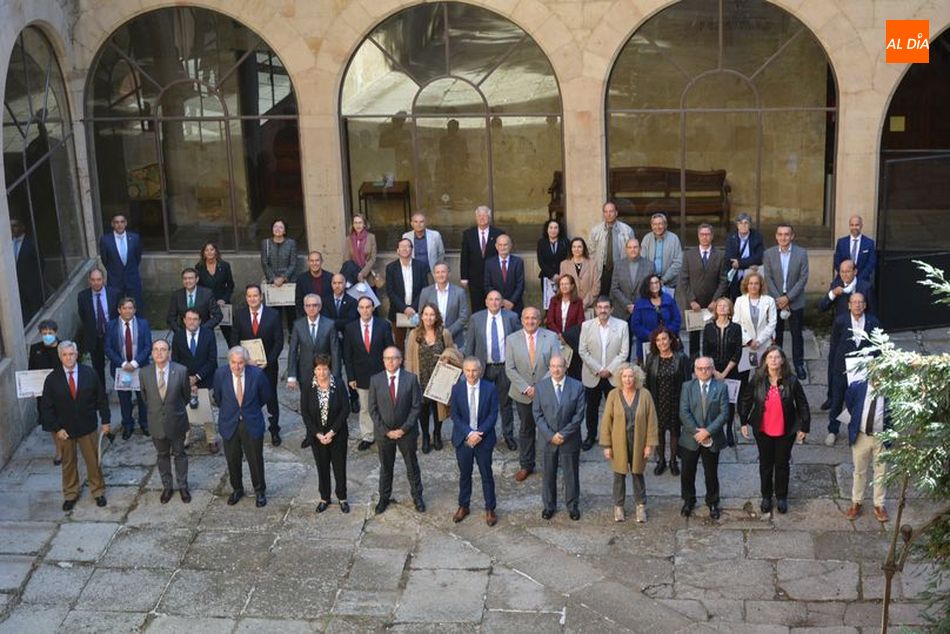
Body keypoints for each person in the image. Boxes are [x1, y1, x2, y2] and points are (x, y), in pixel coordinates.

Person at [739, 345, 810, 515]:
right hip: (763, 430)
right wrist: (743, 422)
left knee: (782, 464)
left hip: (785, 430)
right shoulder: (757, 379)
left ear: (783, 360)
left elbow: (802, 405)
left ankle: (782, 497)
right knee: (765, 464)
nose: (773, 361)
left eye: (777, 357)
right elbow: (746, 400)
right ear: (765, 360)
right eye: (770, 357)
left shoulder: (791, 381)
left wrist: (804, 426)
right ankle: (766, 496)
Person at [41, 341, 110, 511]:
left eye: (71, 354)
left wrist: (106, 421)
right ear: (60, 357)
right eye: (65, 355)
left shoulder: (89, 373)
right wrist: (57, 429)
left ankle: (98, 491)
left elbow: (101, 399)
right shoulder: (52, 379)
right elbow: (46, 408)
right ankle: (71, 494)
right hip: (65, 430)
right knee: (68, 463)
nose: (68, 358)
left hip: (88, 427)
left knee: (93, 461)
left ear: (77, 354)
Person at [506, 307, 561, 482]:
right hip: (523, 394)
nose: (530, 321)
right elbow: (510, 368)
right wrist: (526, 388)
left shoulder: (551, 337)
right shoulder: (512, 339)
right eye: (527, 318)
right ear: (522, 320)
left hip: (545, 392)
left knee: (548, 429)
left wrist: (539, 387)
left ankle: (549, 464)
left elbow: (556, 365)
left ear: (540, 320)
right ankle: (526, 465)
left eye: (534, 318)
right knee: (526, 429)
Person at [212, 346, 271, 508]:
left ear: (245, 362)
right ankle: (237, 489)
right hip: (229, 423)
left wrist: (248, 410)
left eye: (240, 363)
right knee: (232, 459)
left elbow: (264, 396)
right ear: (228, 361)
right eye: (233, 363)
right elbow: (218, 397)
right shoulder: (220, 374)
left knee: (255, 460)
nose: (237, 367)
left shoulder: (257, 375)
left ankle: (259, 491)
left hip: (251, 422)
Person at [369, 347, 425, 515]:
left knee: (412, 466)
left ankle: (417, 497)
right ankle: (384, 498)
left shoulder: (411, 379)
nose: (391, 361)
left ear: (400, 360)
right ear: (383, 360)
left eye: (394, 358)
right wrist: (386, 431)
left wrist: (403, 429)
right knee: (386, 467)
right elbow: (372, 409)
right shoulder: (375, 380)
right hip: (384, 434)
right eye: (387, 358)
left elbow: (416, 406)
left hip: (406, 433)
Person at [599, 363, 657, 523]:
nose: (628, 379)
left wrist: (649, 445)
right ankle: (618, 506)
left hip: (639, 440)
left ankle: (640, 506)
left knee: (638, 473)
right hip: (619, 441)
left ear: (636, 377)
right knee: (619, 474)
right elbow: (606, 421)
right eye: (624, 376)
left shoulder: (645, 395)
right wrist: (607, 445)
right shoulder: (613, 394)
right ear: (620, 378)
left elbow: (652, 420)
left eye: (631, 376)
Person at [464, 290, 520, 451]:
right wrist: (468, 367)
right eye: (491, 299)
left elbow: (518, 341)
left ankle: (508, 436)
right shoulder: (476, 318)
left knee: (506, 403)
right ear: (486, 302)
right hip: (484, 368)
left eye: (497, 300)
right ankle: (483, 434)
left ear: (501, 302)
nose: (494, 302)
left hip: (505, 367)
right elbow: (470, 344)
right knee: (483, 403)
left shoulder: (511, 317)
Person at [533, 355, 586, 521]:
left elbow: (578, 416)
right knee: (548, 474)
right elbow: (537, 414)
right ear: (549, 368)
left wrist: (563, 434)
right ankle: (549, 506)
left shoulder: (577, 387)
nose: (556, 370)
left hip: (569, 439)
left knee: (571, 474)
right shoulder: (540, 388)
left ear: (566, 367)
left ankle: (572, 506)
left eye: (559, 366)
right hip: (547, 440)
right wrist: (551, 435)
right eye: (553, 366)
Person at [230, 284, 284, 446]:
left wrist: (268, 361)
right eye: (249, 296)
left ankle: (274, 429)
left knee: (271, 398)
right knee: (248, 397)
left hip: (268, 366)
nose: (252, 299)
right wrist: (244, 361)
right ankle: (252, 429)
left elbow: (279, 342)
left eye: (255, 296)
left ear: (261, 297)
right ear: (246, 298)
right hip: (245, 366)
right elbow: (234, 340)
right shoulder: (239, 316)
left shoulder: (273, 315)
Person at [825, 293, 880, 447]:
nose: (857, 305)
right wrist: (834, 368)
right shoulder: (841, 321)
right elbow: (835, 345)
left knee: (860, 401)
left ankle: (856, 430)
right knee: (837, 400)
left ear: (865, 305)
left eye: (860, 302)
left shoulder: (873, 322)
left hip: (864, 369)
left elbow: (878, 347)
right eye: (854, 302)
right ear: (849, 305)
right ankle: (832, 430)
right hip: (842, 368)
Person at [140, 340, 191, 504]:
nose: (159, 353)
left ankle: (183, 486)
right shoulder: (144, 373)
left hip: (176, 421)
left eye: (163, 349)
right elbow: (145, 397)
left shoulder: (181, 371)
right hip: (156, 422)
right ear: (152, 353)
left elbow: (186, 396)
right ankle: (167, 487)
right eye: (156, 350)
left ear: (169, 352)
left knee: (180, 454)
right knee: (162, 456)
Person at [818, 259, 874, 409]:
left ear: (855, 272)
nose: (845, 275)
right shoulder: (836, 285)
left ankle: (858, 395)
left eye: (848, 271)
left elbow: (872, 310)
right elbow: (822, 307)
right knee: (834, 363)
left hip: (860, 330)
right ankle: (832, 397)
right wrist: (832, 294)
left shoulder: (865, 286)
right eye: (842, 272)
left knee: (860, 363)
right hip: (841, 332)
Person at [450, 357, 499, 526]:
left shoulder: (490, 388)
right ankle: (464, 505)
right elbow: (455, 415)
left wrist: (480, 433)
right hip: (463, 439)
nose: (471, 374)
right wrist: (469, 433)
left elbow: (493, 414)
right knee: (465, 474)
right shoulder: (456, 389)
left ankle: (490, 508)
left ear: (480, 371)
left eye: (475, 370)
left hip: (483, 440)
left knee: (486, 474)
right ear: (463, 371)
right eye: (468, 370)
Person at [678, 357, 729, 519]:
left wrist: (707, 432)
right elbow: (683, 412)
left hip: (711, 437)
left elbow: (724, 414)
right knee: (687, 472)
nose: (703, 371)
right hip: (690, 438)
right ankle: (688, 500)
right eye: (700, 368)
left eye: (707, 368)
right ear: (695, 370)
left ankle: (713, 502)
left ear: (712, 369)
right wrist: (696, 432)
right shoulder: (687, 387)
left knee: (711, 473)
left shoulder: (721, 387)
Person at [287, 294, 340, 449]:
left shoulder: (329, 324)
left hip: (325, 373)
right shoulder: (298, 325)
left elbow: (335, 352)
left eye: (315, 305)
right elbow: (292, 351)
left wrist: (335, 376)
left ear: (320, 307)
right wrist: (292, 375)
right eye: (308, 305)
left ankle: (327, 432)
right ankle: (310, 434)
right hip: (305, 373)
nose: (311, 308)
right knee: (308, 406)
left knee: (325, 404)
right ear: (304, 308)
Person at [344, 296, 395, 451]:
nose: (365, 310)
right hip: (361, 375)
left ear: (373, 308)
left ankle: (385, 433)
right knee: (365, 407)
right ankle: (367, 435)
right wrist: (351, 376)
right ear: (358, 309)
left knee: (384, 407)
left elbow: (390, 350)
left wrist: (391, 372)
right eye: (362, 307)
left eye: (368, 307)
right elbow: (347, 355)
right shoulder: (350, 328)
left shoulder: (383, 325)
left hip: (381, 374)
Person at [301, 354, 350, 514]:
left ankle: (342, 498)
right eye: (318, 369)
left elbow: (345, 409)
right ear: (314, 370)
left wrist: (332, 432)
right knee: (322, 467)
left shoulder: (339, 384)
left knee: (339, 467)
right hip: (318, 437)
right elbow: (305, 413)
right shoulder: (308, 386)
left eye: (325, 369)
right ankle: (324, 498)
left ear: (330, 369)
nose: (322, 373)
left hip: (337, 435)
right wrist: (317, 434)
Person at [404, 303, 456, 453]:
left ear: (437, 316)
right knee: (423, 410)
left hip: (439, 377)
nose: (429, 317)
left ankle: (437, 434)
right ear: (421, 316)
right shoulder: (414, 334)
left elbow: (452, 350)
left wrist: (448, 357)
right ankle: (426, 436)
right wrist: (409, 379)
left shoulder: (444, 333)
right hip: (421, 377)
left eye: (432, 314)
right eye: (426, 314)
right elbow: (408, 358)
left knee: (438, 407)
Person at [578, 297, 629, 450]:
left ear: (611, 309)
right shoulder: (586, 326)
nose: (602, 310)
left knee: (615, 408)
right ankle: (591, 435)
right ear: (595, 309)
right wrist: (599, 369)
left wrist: (609, 370)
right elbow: (583, 350)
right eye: (599, 307)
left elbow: (624, 352)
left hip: (613, 376)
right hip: (592, 374)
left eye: (606, 307)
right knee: (591, 408)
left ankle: (614, 436)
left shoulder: (622, 326)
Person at [762, 223, 809, 380]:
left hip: (795, 300)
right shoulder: (768, 254)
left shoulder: (801, 253)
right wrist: (779, 299)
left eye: (786, 234)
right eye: (780, 234)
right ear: (776, 236)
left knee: (797, 335)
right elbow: (767, 277)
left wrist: (788, 298)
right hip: (775, 300)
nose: (783, 237)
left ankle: (799, 365)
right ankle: (778, 366)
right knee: (777, 335)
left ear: (792, 236)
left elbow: (803, 278)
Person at [644, 326, 692, 477]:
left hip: (675, 401)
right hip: (657, 401)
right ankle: (661, 461)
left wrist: (686, 404)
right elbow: (646, 381)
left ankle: (673, 461)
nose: (661, 343)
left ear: (671, 340)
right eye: (658, 340)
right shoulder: (651, 358)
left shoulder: (682, 358)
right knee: (659, 433)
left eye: (664, 339)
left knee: (674, 433)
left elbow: (687, 381)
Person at [104, 297, 152, 440]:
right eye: (124, 308)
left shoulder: (143, 324)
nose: (127, 311)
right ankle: (128, 425)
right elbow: (108, 348)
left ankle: (145, 424)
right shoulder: (111, 325)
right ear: (119, 310)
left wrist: (136, 363)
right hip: (121, 369)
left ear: (134, 310)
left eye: (130, 308)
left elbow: (148, 346)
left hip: (140, 367)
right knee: (124, 399)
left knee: (142, 397)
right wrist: (124, 364)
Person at [171, 310, 218, 453]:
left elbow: (212, 360)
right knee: (184, 411)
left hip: (205, 379)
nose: (192, 322)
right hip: (184, 380)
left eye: (195, 319)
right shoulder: (178, 336)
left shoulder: (208, 335)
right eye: (189, 319)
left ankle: (212, 439)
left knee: (206, 409)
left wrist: (197, 377)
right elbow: (175, 360)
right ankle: (185, 438)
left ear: (200, 321)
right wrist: (187, 379)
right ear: (184, 320)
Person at [843, 378, 890, 522]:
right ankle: (857, 501)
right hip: (861, 436)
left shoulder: (891, 390)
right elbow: (850, 406)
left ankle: (879, 505)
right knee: (859, 471)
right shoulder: (857, 387)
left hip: (881, 437)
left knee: (882, 472)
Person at [679, 223, 728, 356]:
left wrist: (715, 300)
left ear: (712, 236)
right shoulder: (689, 255)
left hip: (713, 305)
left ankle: (711, 362)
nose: (705, 237)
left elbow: (724, 280)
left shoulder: (720, 255)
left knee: (713, 336)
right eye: (702, 234)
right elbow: (684, 279)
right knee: (694, 338)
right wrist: (692, 300)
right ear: (698, 236)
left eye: (707, 234)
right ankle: (694, 365)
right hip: (695, 305)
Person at [702, 297, 743, 446]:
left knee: (730, 401)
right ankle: (714, 429)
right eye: (719, 305)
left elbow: (737, 352)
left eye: (726, 306)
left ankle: (729, 429)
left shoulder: (736, 328)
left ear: (730, 309)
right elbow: (705, 351)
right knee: (713, 400)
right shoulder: (708, 328)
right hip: (712, 370)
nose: (722, 308)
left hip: (730, 370)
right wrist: (714, 371)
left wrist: (724, 373)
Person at [732, 270, 777, 391]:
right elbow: (736, 323)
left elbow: (772, 323)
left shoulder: (769, 301)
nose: (753, 286)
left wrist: (759, 341)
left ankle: (762, 404)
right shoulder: (739, 301)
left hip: (764, 344)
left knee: (763, 377)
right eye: (751, 283)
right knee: (743, 378)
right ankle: (743, 405)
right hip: (746, 345)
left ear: (760, 285)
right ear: (746, 285)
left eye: (756, 283)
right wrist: (749, 341)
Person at [77, 268, 120, 388]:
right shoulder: (83, 297)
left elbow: (119, 314)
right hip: (95, 337)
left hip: (112, 336)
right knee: (98, 368)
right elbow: (84, 316)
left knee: (118, 363)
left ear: (104, 280)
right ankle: (102, 395)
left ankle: (123, 389)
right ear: (89, 281)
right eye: (93, 280)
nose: (96, 283)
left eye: (99, 279)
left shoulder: (114, 293)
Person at [323, 273, 360, 411]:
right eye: (335, 283)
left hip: (348, 340)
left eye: (340, 283)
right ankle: (337, 398)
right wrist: (339, 323)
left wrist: (335, 323)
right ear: (331, 284)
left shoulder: (352, 301)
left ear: (345, 284)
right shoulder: (325, 301)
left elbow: (351, 321)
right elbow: (326, 321)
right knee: (334, 370)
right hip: (331, 341)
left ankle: (354, 398)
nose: (337, 286)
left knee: (351, 369)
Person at [386, 237, 431, 350]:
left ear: (412, 249)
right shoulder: (391, 268)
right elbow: (390, 291)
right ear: (397, 250)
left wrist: (413, 308)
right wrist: (404, 308)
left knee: (417, 343)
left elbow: (424, 289)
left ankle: (414, 367)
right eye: (402, 247)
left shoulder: (421, 266)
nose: (405, 249)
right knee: (399, 344)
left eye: (408, 246)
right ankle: (400, 366)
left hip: (416, 312)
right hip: (398, 311)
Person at [29, 320, 63, 464]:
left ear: (56, 332)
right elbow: (31, 371)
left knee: (65, 421)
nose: (47, 336)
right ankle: (59, 452)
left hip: (62, 392)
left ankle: (68, 447)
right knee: (52, 424)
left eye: (50, 333)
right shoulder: (35, 349)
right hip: (44, 394)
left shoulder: (63, 347)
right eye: (44, 333)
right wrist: (31, 388)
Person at [459, 205, 504, 309]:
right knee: (476, 305)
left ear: (489, 217)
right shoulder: (468, 234)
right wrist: (464, 277)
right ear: (476, 218)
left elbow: (502, 255)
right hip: (475, 277)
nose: (482, 218)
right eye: (479, 216)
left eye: (485, 216)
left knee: (494, 303)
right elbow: (464, 256)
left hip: (494, 276)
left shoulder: (498, 233)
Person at [418, 262, 470, 350]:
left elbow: (464, 317)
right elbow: (421, 314)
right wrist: (434, 333)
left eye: (443, 272)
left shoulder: (459, 292)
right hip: (431, 340)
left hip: (454, 340)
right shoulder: (426, 292)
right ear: (434, 274)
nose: (440, 275)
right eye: (437, 272)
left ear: (449, 273)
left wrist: (447, 333)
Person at [588, 201, 635, 297]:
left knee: (620, 296)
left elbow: (633, 251)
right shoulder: (595, 231)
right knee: (603, 298)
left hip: (621, 269)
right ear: (603, 213)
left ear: (616, 213)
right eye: (606, 212)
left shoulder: (627, 230)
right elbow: (591, 252)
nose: (608, 214)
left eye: (611, 211)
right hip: (603, 270)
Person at [631, 275, 682, 362]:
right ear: (647, 285)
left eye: (656, 282)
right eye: (651, 283)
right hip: (647, 343)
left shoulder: (668, 299)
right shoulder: (640, 303)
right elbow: (636, 325)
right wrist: (652, 336)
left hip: (669, 343)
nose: (655, 285)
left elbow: (677, 319)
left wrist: (666, 335)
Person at [260, 218, 299, 331]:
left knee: (290, 310)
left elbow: (293, 263)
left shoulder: (291, 243)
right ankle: (277, 334)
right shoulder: (266, 243)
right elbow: (264, 262)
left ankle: (292, 333)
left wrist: (283, 278)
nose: (278, 229)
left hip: (288, 281)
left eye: (281, 227)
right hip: (272, 282)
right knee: (274, 311)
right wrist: (273, 278)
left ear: (285, 230)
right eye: (275, 227)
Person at [98, 212, 144, 308]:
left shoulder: (135, 238)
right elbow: (105, 259)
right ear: (112, 224)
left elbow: (137, 257)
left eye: (122, 222)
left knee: (136, 305)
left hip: (132, 278)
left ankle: (136, 322)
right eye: (117, 222)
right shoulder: (105, 240)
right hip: (115, 280)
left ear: (126, 223)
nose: (120, 225)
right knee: (115, 306)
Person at [545, 274, 585, 380]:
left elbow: (580, 322)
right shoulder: (554, 300)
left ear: (572, 286)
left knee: (572, 372)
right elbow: (550, 320)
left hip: (571, 341)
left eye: (566, 284)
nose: (564, 286)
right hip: (556, 339)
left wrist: (566, 337)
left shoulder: (578, 302)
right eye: (562, 284)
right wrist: (559, 335)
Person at [195, 242, 235, 344]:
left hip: (223, 304)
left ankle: (235, 356)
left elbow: (230, 285)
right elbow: (198, 288)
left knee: (229, 333)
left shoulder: (225, 265)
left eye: (212, 249)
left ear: (216, 251)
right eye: (207, 250)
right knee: (207, 333)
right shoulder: (199, 267)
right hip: (206, 305)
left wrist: (224, 299)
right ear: (203, 253)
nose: (209, 252)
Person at [166, 267, 222, 333]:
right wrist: (179, 331)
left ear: (197, 279)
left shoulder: (207, 294)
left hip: (204, 333)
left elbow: (218, 315)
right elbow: (171, 317)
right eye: (185, 279)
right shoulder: (177, 295)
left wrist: (202, 329)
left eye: (190, 278)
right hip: (183, 333)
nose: (187, 281)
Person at [723, 213, 765, 302]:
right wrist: (748, 264)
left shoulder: (757, 236)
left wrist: (740, 263)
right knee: (736, 299)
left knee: (751, 299)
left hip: (750, 274)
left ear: (750, 225)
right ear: (737, 225)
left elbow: (759, 257)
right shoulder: (731, 237)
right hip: (736, 274)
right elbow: (729, 258)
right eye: (740, 223)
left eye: (746, 223)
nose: (743, 225)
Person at [639, 213, 683, 293]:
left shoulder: (674, 239)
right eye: (655, 224)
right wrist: (652, 280)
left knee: (667, 304)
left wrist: (663, 280)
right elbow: (643, 261)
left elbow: (678, 263)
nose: (657, 227)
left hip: (669, 283)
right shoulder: (646, 238)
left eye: (660, 224)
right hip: (650, 283)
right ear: (651, 226)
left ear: (665, 225)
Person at [610, 237, 651, 321]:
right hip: (621, 310)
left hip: (642, 310)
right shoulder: (618, 265)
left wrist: (637, 305)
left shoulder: (650, 265)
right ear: (626, 249)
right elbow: (614, 288)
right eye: (630, 247)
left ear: (640, 248)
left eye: (635, 247)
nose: (633, 250)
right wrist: (627, 304)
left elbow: (649, 289)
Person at [484, 233, 525, 315]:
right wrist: (501, 301)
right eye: (500, 245)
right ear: (496, 246)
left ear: (510, 246)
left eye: (505, 245)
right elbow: (487, 285)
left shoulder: (518, 262)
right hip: (495, 305)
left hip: (515, 305)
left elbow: (520, 284)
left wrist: (511, 301)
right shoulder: (489, 263)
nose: (502, 247)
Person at [11, 218, 43, 321]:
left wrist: (36, 281)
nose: (12, 228)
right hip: (16, 287)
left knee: (34, 314)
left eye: (15, 225)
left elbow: (41, 263)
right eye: (11, 226)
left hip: (31, 286)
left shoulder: (31, 243)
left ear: (22, 227)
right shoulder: (9, 244)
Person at [559, 237, 600, 316]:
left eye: (579, 247)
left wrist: (584, 304)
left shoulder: (592, 264)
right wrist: (573, 303)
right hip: (570, 306)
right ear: (571, 249)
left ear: (583, 248)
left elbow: (596, 286)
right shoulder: (564, 264)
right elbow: (562, 286)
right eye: (574, 247)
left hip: (589, 306)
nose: (576, 249)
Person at [536, 219, 570, 309]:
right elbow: (541, 262)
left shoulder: (565, 242)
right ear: (547, 230)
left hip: (562, 277)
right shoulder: (541, 243)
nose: (553, 230)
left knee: (563, 301)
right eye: (551, 228)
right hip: (547, 276)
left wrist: (561, 275)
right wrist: (552, 275)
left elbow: (568, 260)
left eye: (556, 228)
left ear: (559, 230)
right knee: (549, 303)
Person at [834, 214, 876, 285]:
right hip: (843, 281)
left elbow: (871, 263)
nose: (854, 227)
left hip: (862, 281)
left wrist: (858, 279)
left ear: (861, 225)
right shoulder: (841, 242)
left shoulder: (869, 243)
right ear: (849, 226)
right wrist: (846, 276)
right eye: (852, 225)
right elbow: (837, 262)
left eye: (857, 225)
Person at [341, 214, 378, 288]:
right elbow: (346, 260)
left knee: (370, 299)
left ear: (364, 224)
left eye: (360, 222)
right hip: (352, 277)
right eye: (356, 223)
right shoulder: (349, 239)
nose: (358, 225)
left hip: (367, 274)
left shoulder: (371, 237)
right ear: (353, 225)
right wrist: (356, 274)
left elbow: (373, 259)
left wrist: (362, 273)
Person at [294, 251, 333, 318]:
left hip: (327, 316)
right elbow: (299, 301)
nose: (314, 263)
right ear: (308, 262)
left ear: (321, 261)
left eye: (317, 260)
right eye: (312, 261)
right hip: (308, 316)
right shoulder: (301, 279)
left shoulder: (330, 277)